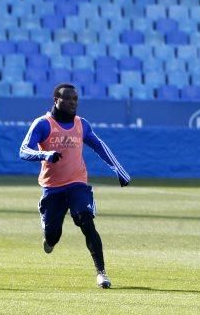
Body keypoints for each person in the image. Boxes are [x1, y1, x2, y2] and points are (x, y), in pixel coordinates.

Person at [19, 83, 131, 288]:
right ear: (56, 100)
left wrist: (119, 170)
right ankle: (48, 232)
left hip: (77, 183)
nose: (72, 103)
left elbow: (99, 146)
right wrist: (44, 154)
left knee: (86, 220)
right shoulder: (43, 124)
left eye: (75, 99)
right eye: (68, 99)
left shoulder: (82, 125)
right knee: (53, 236)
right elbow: (24, 150)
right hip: (52, 188)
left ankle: (101, 273)